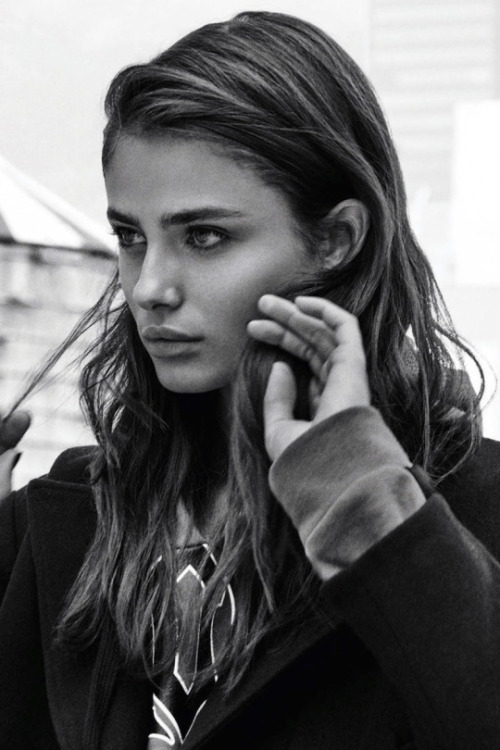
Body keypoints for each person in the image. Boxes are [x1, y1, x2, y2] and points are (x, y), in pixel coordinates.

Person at [1, 10, 499, 750]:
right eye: (131, 236)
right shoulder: (64, 522)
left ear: (336, 239)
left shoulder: (469, 511)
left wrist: (362, 503)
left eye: (205, 237)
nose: (149, 288)